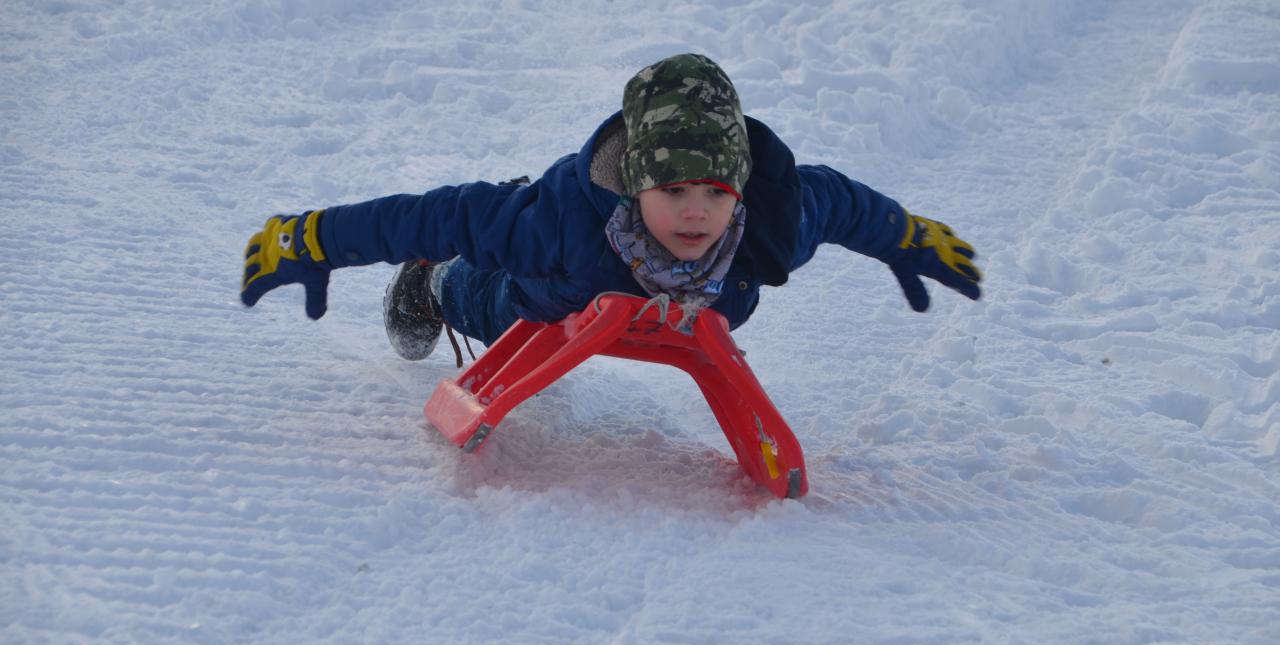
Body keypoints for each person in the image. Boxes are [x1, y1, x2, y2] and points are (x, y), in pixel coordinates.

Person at [240, 53, 982, 363]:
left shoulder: (770, 227)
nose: (697, 213)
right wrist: (313, 238)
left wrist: (908, 239)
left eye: (716, 193)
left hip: (675, 310)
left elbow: (844, 204)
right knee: (485, 290)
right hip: (550, 296)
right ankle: (428, 286)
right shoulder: (556, 222)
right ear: (634, 185)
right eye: (673, 192)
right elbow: (426, 214)